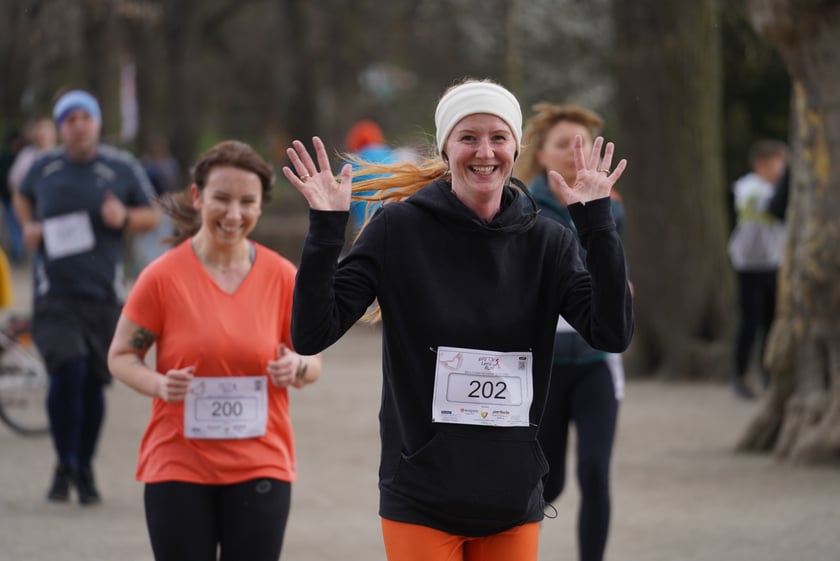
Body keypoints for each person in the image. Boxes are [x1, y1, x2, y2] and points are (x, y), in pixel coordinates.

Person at [282, 78, 633, 561]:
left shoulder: (548, 242)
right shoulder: (398, 230)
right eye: (468, 137)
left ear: (515, 146)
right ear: (446, 146)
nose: (484, 151)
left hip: (510, 497)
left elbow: (610, 332)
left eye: (498, 137)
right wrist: (324, 230)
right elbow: (311, 333)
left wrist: (597, 224)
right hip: (422, 494)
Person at [107, 140, 322, 561]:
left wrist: (295, 368)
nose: (234, 214)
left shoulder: (282, 277)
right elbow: (121, 356)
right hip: (178, 465)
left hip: (262, 464)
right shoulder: (162, 277)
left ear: (261, 206)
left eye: (247, 202)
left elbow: (313, 363)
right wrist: (159, 384)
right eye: (221, 199)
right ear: (196, 197)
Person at [13, 89, 160, 504]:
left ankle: (84, 464)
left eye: (85, 117)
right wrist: (28, 228)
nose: (78, 125)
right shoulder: (43, 167)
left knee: (94, 383)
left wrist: (125, 218)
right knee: (68, 371)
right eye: (69, 118)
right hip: (54, 294)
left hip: (103, 295)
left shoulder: (121, 167)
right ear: (60, 127)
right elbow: (22, 198)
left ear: (97, 122)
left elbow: (152, 214)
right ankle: (64, 460)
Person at [515, 102, 626, 561]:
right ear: (541, 153)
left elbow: (616, 273)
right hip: (546, 365)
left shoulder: (610, 208)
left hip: (597, 363)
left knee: (596, 472)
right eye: (563, 145)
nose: (574, 154)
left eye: (583, 146)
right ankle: (506, 546)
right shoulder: (519, 206)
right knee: (548, 481)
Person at [727, 139, 787, 399]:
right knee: (750, 322)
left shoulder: (777, 188)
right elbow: (770, 206)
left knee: (772, 322)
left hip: (775, 264)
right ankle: (740, 375)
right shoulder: (748, 187)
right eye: (778, 164)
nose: (781, 170)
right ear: (761, 164)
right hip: (749, 267)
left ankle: (768, 374)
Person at [7, 117, 58, 265]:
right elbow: (15, 185)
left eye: (47, 131)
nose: (43, 135)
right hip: (35, 210)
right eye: (40, 131)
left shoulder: (61, 155)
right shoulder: (27, 157)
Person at [344, 119, 398, 234]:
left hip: (366, 226)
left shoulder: (352, 161)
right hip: (394, 220)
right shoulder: (390, 155)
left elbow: (343, 196)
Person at [0, 128, 26, 264]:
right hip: (8, 198)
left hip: (20, 199)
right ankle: (18, 253)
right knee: (13, 227)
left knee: (17, 227)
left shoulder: (22, 156)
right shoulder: (6, 157)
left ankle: (19, 253)